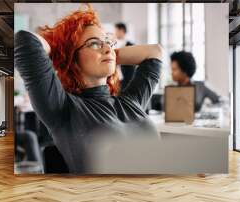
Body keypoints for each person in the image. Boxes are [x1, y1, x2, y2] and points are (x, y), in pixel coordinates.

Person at [15, 5, 163, 173]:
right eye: (93, 44)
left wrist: (109, 54)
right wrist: (63, 50)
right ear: (72, 59)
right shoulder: (63, 108)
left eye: (108, 42)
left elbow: (155, 52)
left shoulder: (130, 102)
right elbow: (25, 41)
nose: (107, 48)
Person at [114, 22, 136, 91]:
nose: (115, 33)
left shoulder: (130, 45)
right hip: (116, 78)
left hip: (127, 78)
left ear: (121, 31)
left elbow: (133, 62)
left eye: (116, 31)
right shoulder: (114, 44)